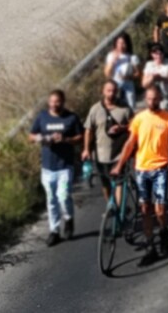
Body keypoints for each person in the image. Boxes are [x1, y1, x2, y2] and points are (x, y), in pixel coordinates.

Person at [113, 84, 168, 263]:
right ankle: (150, 245)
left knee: (160, 210)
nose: (151, 101)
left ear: (160, 99)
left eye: (155, 98)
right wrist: (119, 165)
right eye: (149, 98)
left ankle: (164, 231)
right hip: (142, 169)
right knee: (145, 210)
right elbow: (130, 143)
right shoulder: (139, 119)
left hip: (160, 169)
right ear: (146, 99)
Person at [28, 89, 84, 246]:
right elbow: (30, 136)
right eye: (52, 101)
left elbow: (80, 137)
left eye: (57, 101)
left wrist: (65, 139)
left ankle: (68, 219)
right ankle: (54, 231)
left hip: (65, 166)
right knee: (51, 199)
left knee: (63, 196)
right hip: (47, 167)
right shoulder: (42, 117)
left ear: (63, 102)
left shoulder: (71, 118)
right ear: (48, 102)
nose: (54, 104)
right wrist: (42, 138)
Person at [84, 79, 132, 204]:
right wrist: (86, 149)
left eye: (114, 91)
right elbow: (88, 130)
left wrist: (122, 128)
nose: (111, 93)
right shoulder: (95, 109)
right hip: (101, 155)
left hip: (120, 153)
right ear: (103, 92)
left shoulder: (125, 108)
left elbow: (134, 126)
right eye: (108, 91)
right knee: (105, 184)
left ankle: (120, 210)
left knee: (119, 181)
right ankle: (111, 206)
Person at [103, 32, 141, 111]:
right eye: (119, 43)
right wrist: (113, 61)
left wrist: (130, 77)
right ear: (116, 44)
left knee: (131, 108)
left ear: (127, 44)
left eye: (123, 43)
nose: (121, 45)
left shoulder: (132, 57)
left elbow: (138, 73)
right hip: (115, 85)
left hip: (128, 85)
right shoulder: (111, 56)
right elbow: (107, 73)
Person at [142, 44, 168, 112]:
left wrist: (162, 78)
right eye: (156, 54)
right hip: (153, 97)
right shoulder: (149, 64)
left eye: (160, 53)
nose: (159, 56)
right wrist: (152, 78)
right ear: (152, 54)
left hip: (166, 95)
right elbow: (144, 84)